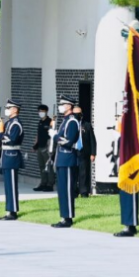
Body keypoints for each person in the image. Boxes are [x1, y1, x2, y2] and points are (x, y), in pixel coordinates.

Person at [51, 95, 79, 228]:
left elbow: (68, 142)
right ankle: (63, 216)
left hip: (68, 158)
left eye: (63, 104)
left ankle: (68, 218)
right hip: (62, 159)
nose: (61, 106)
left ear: (69, 106)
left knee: (67, 189)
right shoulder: (65, 120)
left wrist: (55, 136)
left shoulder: (72, 121)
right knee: (62, 189)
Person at [0, 99, 24, 221]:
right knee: (8, 186)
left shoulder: (16, 124)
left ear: (14, 109)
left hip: (12, 156)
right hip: (7, 156)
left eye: (9, 108)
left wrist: (0, 134)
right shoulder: (9, 123)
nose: (7, 110)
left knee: (12, 186)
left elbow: (12, 139)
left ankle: (13, 211)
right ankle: (9, 210)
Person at [74, 105, 97, 198]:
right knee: (74, 173)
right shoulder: (71, 125)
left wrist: (93, 153)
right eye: (75, 113)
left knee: (84, 173)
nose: (77, 115)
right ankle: (74, 192)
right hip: (74, 152)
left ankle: (84, 192)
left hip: (84, 152)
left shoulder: (87, 125)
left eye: (78, 113)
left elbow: (92, 140)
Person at [33, 105, 55, 192]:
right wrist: (35, 145)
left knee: (48, 166)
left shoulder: (50, 122)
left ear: (46, 111)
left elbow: (52, 135)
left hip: (47, 147)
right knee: (41, 166)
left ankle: (50, 184)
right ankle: (43, 183)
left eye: (42, 111)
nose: (40, 113)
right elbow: (38, 135)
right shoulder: (40, 122)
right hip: (40, 147)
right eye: (39, 111)